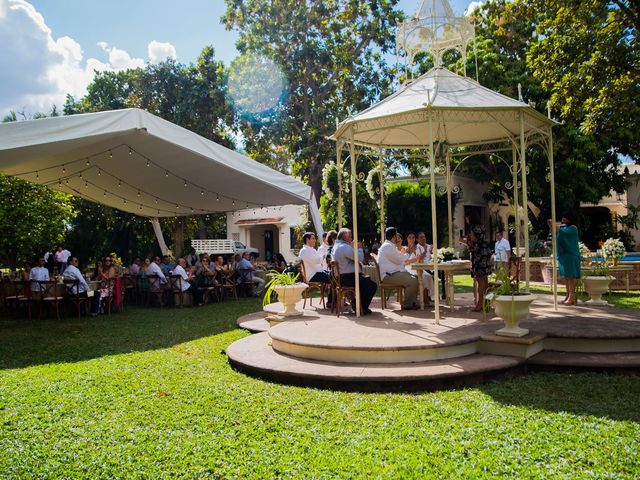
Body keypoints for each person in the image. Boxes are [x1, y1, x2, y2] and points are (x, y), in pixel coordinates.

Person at [332, 228, 377, 314]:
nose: (351, 239)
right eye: (350, 237)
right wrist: (359, 248)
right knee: (372, 286)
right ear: (345, 237)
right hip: (348, 277)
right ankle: (361, 307)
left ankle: (357, 303)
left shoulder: (337, 246)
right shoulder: (344, 247)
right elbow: (359, 257)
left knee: (366, 282)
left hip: (342, 277)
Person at [377, 227, 421, 310]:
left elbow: (399, 260)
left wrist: (406, 253)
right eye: (397, 235)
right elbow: (400, 260)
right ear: (394, 237)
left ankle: (412, 302)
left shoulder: (390, 245)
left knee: (415, 277)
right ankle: (407, 304)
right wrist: (408, 252)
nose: (398, 237)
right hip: (388, 275)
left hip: (393, 273)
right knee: (413, 281)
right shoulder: (388, 246)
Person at [462, 212, 492, 311]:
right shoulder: (482, 227)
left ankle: (480, 304)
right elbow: (480, 239)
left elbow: (473, 241)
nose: (466, 219)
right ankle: (487, 302)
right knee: (485, 278)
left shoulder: (472, 227)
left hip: (478, 255)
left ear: (470, 218)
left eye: (467, 217)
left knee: (479, 279)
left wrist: (463, 241)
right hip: (485, 252)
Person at [554, 211, 581, 305]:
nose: (562, 219)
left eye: (564, 217)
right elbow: (558, 234)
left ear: (569, 219)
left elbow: (561, 232)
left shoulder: (573, 228)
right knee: (566, 277)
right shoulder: (565, 228)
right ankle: (567, 295)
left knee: (571, 277)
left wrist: (552, 224)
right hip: (564, 256)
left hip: (571, 255)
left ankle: (572, 296)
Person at [406, 232, 435, 304]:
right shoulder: (405, 249)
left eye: (413, 237)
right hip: (409, 268)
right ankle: (425, 299)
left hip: (418, 266)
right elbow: (405, 262)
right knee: (422, 276)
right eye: (410, 237)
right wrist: (416, 259)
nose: (411, 239)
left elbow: (421, 261)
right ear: (407, 239)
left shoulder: (419, 248)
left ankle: (427, 296)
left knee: (427, 276)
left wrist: (420, 259)